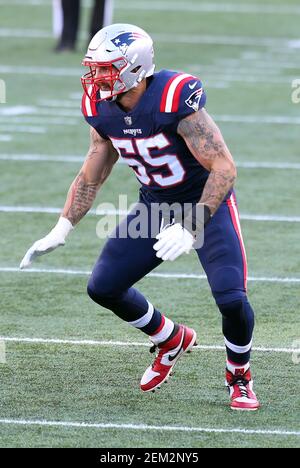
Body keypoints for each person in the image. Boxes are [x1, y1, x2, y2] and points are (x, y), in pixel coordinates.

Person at [20, 23, 260, 411]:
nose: (95, 78)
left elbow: (225, 168)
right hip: (155, 207)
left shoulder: (173, 96)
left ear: (135, 68)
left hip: (205, 204)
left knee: (231, 299)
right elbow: (93, 170)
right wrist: (62, 226)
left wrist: (192, 223)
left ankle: (239, 374)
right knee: (103, 286)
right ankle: (169, 338)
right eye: (93, 68)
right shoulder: (99, 106)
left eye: (105, 68)